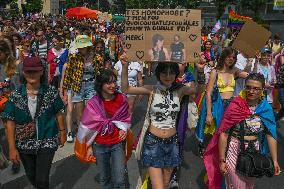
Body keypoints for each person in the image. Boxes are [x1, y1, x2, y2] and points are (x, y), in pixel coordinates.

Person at [121, 58, 196, 189]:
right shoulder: (152, 89)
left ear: (176, 74)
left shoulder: (181, 90)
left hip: (172, 143)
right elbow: (126, 88)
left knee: (165, 184)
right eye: (164, 73)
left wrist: (200, 71)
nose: (168, 76)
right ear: (158, 74)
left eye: (171, 73)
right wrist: (125, 67)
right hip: (153, 143)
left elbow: (198, 90)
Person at [204, 73, 281, 189]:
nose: (251, 91)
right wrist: (221, 160)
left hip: (254, 151)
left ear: (262, 89)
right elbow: (223, 134)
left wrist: (275, 160)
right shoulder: (235, 105)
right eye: (248, 87)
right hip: (234, 149)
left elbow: (271, 134)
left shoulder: (266, 108)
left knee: (249, 185)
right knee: (237, 186)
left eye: (256, 88)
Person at [2, 56, 66, 189]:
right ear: (23, 72)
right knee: (31, 175)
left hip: (47, 140)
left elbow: (59, 112)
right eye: (28, 71)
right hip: (24, 143)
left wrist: (62, 132)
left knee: (42, 180)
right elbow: (10, 123)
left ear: (41, 71)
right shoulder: (15, 96)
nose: (32, 74)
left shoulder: (51, 92)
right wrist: (12, 148)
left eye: (35, 71)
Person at [78, 69, 132, 189]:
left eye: (114, 82)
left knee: (120, 179)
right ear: (100, 85)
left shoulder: (122, 99)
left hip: (117, 143)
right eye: (108, 83)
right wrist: (89, 146)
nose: (112, 85)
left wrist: (123, 128)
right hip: (99, 145)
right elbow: (87, 127)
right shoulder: (93, 103)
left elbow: (125, 118)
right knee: (104, 179)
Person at [196, 47, 248, 157]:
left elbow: (249, 76)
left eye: (233, 57)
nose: (231, 59)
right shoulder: (215, 71)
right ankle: (204, 147)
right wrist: (209, 114)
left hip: (230, 105)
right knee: (211, 129)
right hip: (217, 104)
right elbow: (209, 93)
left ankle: (220, 153)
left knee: (225, 131)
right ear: (224, 56)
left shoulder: (234, 71)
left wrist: (254, 61)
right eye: (229, 56)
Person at [63, 35, 104, 133]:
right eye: (79, 46)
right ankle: (81, 133)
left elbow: (100, 73)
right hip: (77, 86)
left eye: (82, 46)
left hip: (92, 85)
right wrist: (65, 91)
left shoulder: (97, 57)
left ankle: (92, 131)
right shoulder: (73, 57)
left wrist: (102, 88)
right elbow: (68, 74)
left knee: (92, 111)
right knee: (79, 114)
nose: (80, 48)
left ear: (88, 46)